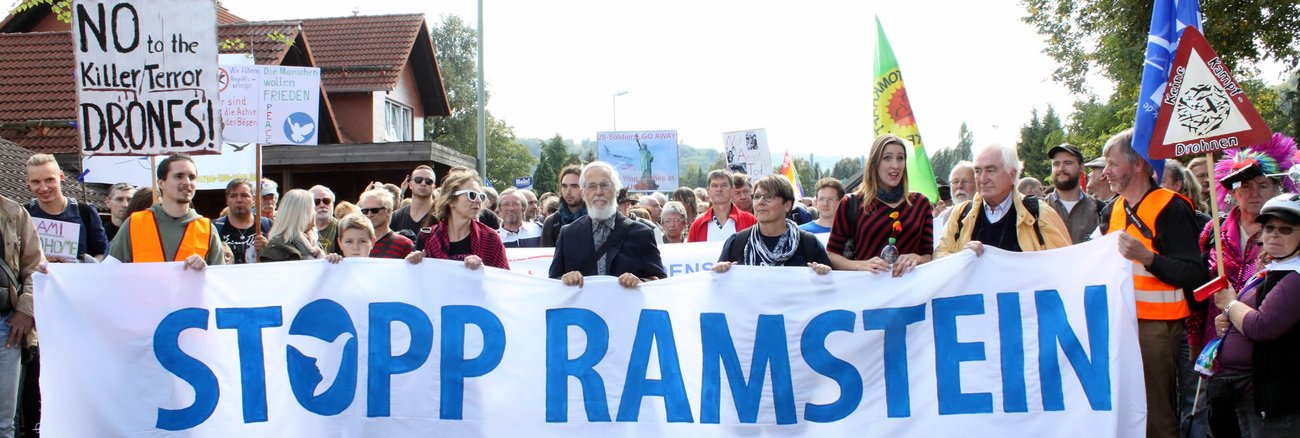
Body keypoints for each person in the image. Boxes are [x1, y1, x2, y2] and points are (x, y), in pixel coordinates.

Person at [1097, 129, 1207, 438]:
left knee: (1154, 410)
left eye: (1111, 163)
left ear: (1139, 165)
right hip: (1122, 322)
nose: (1105, 173)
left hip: (1157, 326)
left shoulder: (1171, 206)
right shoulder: (1113, 209)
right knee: (1128, 406)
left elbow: (1193, 273)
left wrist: (1149, 258)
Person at [1207, 193, 1300, 437]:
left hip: (1278, 396)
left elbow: (1262, 326)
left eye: (1286, 229)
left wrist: (1229, 305)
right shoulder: (1271, 269)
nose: (1274, 234)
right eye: (1269, 227)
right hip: (1248, 391)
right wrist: (1228, 322)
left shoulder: (1296, 275)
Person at [1195, 137, 1296, 353]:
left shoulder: (1289, 234)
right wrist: (1195, 341)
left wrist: (1234, 309)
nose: (1254, 193)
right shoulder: (1214, 229)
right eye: (1246, 186)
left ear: (1278, 189)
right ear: (1232, 192)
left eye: (1263, 185)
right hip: (1218, 342)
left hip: (1269, 344)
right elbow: (1200, 285)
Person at [936, 143, 1070, 258]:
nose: (982, 179)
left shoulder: (1039, 214)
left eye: (990, 170)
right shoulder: (960, 214)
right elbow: (939, 257)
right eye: (978, 171)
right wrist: (961, 258)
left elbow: (1064, 265)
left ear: (1012, 175)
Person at [828, 134, 935, 276]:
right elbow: (831, 255)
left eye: (900, 158)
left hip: (911, 294)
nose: (895, 165)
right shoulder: (851, 203)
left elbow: (928, 255)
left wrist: (918, 258)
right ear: (874, 163)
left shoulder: (921, 204)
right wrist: (860, 265)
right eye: (887, 158)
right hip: (868, 294)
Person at [549, 161, 665, 288]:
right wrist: (564, 279)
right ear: (583, 193)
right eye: (592, 186)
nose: (599, 192)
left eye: (605, 185)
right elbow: (552, 284)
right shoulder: (568, 234)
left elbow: (660, 282)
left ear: (616, 191)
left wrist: (640, 282)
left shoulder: (641, 234)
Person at [108, 154, 224, 269]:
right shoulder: (135, 223)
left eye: (192, 177)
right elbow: (109, 273)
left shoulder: (207, 229)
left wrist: (206, 271)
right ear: (161, 183)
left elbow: (220, 281)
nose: (187, 182)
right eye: (179, 176)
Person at [714, 175, 831, 274]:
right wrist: (720, 271)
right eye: (757, 197)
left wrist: (823, 273)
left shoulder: (808, 243)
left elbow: (829, 292)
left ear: (787, 205)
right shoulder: (737, 242)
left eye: (768, 197)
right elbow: (720, 290)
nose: (760, 202)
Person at [0, 190, 45, 438]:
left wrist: (26, 309)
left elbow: (35, 266)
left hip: (6, 327)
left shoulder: (14, 213)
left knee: (5, 422)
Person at [407, 172, 509, 269]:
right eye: (472, 195)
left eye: (481, 196)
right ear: (451, 200)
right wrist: (412, 262)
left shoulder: (490, 239)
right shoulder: (427, 237)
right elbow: (414, 281)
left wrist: (483, 271)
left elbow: (503, 280)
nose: (478, 200)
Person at [24, 154, 108, 262]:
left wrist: (82, 265)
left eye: (49, 180)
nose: (43, 188)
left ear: (62, 177)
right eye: (36, 182)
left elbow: (103, 254)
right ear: (28, 181)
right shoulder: (23, 214)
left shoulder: (84, 211)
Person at [1045, 144, 1101, 245]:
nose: (1061, 168)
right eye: (1056, 164)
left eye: (1068, 163)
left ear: (1081, 167)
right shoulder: (1038, 210)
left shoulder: (1100, 210)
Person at [688, 169, 757, 242]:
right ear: (708, 191)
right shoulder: (697, 225)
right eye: (714, 186)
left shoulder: (750, 221)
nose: (719, 189)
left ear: (732, 190)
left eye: (724, 185)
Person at [213, 178, 271, 264]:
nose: (239, 200)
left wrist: (268, 249)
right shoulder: (214, 228)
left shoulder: (268, 226)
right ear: (227, 200)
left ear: (254, 199)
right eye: (233, 196)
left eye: (244, 195)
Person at [258, 189, 324, 262]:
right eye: (312, 209)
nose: (315, 213)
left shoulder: (312, 242)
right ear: (300, 214)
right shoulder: (277, 248)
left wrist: (331, 259)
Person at [357, 188, 413, 259]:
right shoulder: (355, 243)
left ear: (388, 211)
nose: (369, 214)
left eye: (375, 210)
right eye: (365, 211)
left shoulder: (404, 244)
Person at [542, 165, 587, 247]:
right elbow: (545, 257)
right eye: (564, 186)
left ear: (584, 188)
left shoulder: (596, 219)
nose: (568, 191)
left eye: (574, 186)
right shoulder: (552, 222)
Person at [391, 165, 437, 242]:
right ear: (410, 185)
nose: (423, 183)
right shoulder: (396, 216)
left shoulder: (442, 215)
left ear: (434, 187)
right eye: (418, 180)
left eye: (428, 181)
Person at [934, 161, 975, 248]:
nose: (959, 186)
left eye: (965, 181)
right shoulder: (943, 217)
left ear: (977, 183)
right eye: (955, 181)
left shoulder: (986, 213)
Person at [310, 185, 340, 254]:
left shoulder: (342, 228)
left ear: (333, 204)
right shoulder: (301, 230)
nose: (322, 205)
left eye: (326, 201)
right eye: (316, 202)